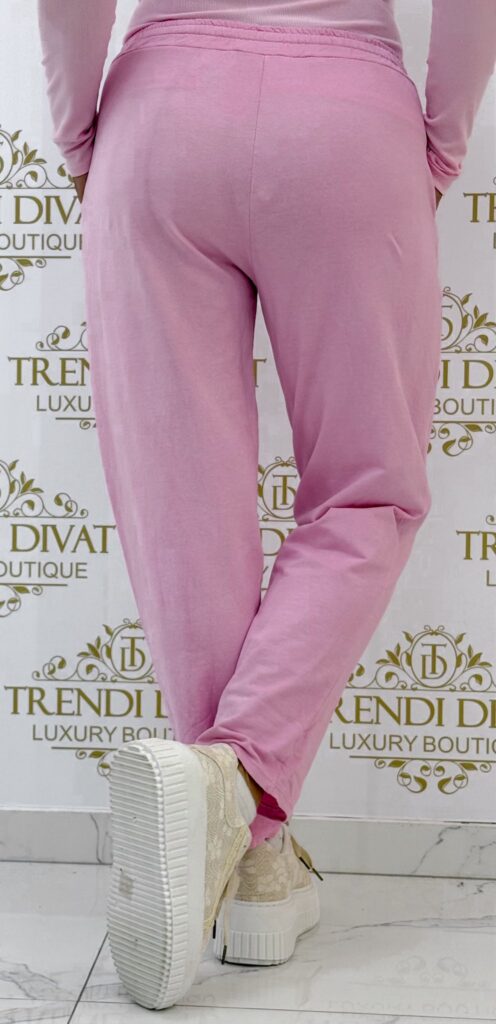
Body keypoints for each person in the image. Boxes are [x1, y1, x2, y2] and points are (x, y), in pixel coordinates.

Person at [37, 0, 496, 1011]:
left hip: (160, 115)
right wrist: (440, 141)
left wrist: (79, 135)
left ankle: (250, 852)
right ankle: (241, 807)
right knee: (366, 490)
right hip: (346, 117)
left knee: (182, 513)